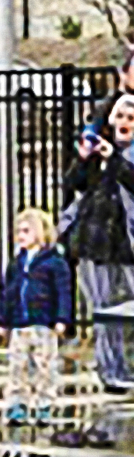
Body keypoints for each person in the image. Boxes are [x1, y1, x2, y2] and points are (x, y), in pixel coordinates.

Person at [62, 95, 134, 392]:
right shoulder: (99, 154)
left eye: (131, 118)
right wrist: (84, 158)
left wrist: (113, 159)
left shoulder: (124, 158)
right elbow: (73, 184)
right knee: (105, 311)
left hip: (128, 242)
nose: (125, 123)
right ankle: (112, 372)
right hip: (96, 242)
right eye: (120, 117)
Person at [0, 208, 72, 427]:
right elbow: (7, 293)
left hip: (43, 323)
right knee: (17, 365)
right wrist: (3, 321)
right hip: (20, 323)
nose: (20, 236)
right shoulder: (16, 263)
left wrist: (62, 319)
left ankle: (44, 404)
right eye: (18, 232)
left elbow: (63, 293)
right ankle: (17, 404)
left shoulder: (54, 263)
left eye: (26, 231)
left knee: (45, 365)